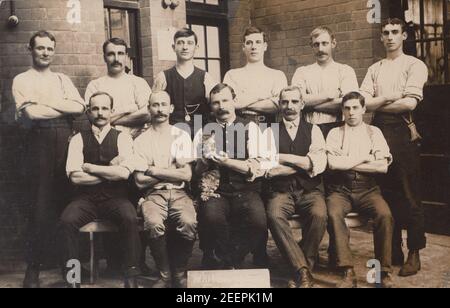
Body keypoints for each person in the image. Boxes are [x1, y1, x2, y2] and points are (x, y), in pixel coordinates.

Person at [12, 30, 85, 288]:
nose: (45, 53)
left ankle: (72, 272)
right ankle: (33, 270)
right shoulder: (22, 79)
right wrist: (60, 105)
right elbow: (31, 113)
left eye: (49, 49)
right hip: (38, 145)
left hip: (64, 143)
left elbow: (80, 107)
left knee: (68, 207)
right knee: (39, 208)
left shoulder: (62, 79)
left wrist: (47, 102)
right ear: (30, 49)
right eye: (40, 48)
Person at [360, 18, 428, 277]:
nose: (389, 36)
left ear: (404, 36)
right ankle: (394, 248)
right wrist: (389, 97)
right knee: (386, 192)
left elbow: (409, 104)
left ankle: (414, 251)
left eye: (395, 32)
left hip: (402, 131)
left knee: (409, 193)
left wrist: (378, 102)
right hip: (377, 131)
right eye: (385, 32)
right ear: (380, 37)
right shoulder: (375, 68)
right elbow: (362, 101)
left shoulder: (414, 65)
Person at [59, 92, 141, 288]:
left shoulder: (123, 138)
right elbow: (75, 176)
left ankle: (131, 277)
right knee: (66, 221)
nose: (100, 113)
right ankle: (73, 279)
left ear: (112, 112)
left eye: (104, 108)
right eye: (95, 108)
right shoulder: (78, 139)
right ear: (88, 112)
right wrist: (110, 172)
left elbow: (124, 174)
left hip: (115, 198)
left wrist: (93, 168)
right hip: (85, 199)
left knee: (130, 217)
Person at [194, 83, 276, 269]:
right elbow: (197, 172)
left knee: (257, 223)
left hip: (246, 190)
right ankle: (228, 261)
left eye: (225, 100)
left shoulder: (251, 127)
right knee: (212, 218)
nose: (221, 106)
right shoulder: (204, 130)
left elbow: (256, 168)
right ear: (211, 106)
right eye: (216, 103)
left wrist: (227, 162)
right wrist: (205, 161)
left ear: (234, 101)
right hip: (217, 191)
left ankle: (229, 259)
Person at [326, 91, 394, 288]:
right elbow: (333, 165)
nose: (351, 112)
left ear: (364, 109)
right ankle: (347, 271)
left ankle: (383, 273)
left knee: (384, 215)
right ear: (342, 111)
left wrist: (347, 162)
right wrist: (366, 157)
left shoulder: (375, 132)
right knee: (333, 212)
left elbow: (382, 167)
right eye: (347, 108)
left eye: (355, 107)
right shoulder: (334, 133)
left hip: (368, 189)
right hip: (341, 188)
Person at [265, 86, 328, 288]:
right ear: (279, 105)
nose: (289, 106)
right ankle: (302, 270)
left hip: (310, 190)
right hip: (281, 191)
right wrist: (303, 164)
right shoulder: (269, 132)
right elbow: (269, 170)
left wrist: (282, 158)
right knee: (274, 215)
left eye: (294, 102)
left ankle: (301, 268)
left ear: (302, 104)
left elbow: (318, 164)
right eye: (285, 102)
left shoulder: (314, 130)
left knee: (319, 215)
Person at [133, 91, 197, 288]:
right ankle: (165, 274)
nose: (159, 109)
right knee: (153, 224)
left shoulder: (181, 135)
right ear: (148, 109)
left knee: (188, 222)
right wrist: (170, 171)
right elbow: (139, 182)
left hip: (179, 193)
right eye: (155, 105)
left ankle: (179, 272)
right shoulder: (141, 140)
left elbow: (186, 175)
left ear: (170, 108)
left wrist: (154, 170)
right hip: (153, 195)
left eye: (163, 105)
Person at [291, 26, 359, 138]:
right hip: (307, 129)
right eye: (316, 44)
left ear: (333, 43)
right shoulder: (302, 72)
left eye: (324, 43)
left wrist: (308, 105)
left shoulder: (345, 70)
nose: (320, 49)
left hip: (338, 128)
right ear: (311, 46)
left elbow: (348, 104)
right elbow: (295, 101)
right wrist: (329, 96)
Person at [153, 28, 217, 137]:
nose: (185, 47)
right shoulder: (163, 77)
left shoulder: (206, 77)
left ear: (196, 47)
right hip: (171, 135)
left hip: (200, 135)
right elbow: (154, 109)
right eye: (180, 43)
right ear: (174, 47)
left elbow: (215, 107)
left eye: (190, 43)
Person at [85, 37, 152, 139]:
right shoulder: (95, 85)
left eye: (120, 54)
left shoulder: (138, 83)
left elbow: (148, 114)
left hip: (136, 140)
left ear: (126, 56)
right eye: (111, 54)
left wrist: (110, 119)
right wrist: (130, 109)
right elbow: (93, 118)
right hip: (105, 141)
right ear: (104, 57)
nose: (116, 59)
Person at [223, 26, 287, 125]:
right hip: (239, 126)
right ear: (243, 47)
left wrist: (243, 102)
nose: (253, 47)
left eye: (258, 42)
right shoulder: (232, 75)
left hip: (269, 124)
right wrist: (262, 97)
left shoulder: (277, 75)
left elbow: (278, 105)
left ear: (265, 46)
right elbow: (229, 104)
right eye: (249, 43)